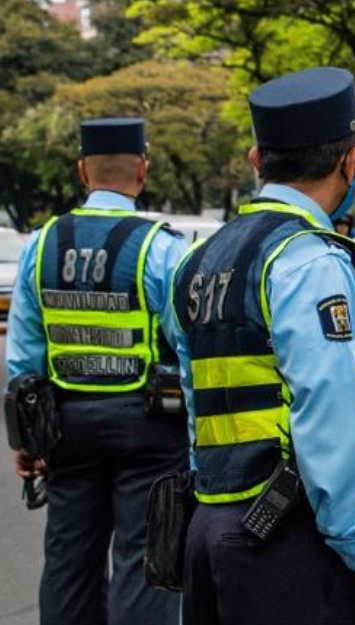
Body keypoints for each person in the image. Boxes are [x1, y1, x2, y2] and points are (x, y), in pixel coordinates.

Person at [167, 67, 355, 625]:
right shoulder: (310, 260)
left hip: (211, 526)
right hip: (288, 540)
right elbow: (330, 417)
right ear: (349, 161)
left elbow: (195, 409)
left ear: (258, 161)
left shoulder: (198, 262)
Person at [6, 117, 189, 625]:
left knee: (69, 561)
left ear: (83, 171)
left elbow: (24, 351)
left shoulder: (42, 244)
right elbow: (186, 345)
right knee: (145, 561)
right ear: (143, 172)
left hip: (68, 425)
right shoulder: (160, 247)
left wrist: (27, 438)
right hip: (151, 426)